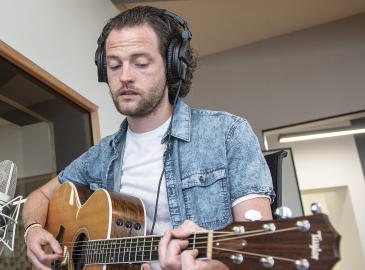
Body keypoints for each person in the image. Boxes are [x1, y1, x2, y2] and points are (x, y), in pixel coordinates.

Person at [22, 6, 274, 270]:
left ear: (172, 66)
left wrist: (216, 267)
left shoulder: (227, 134)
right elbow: (39, 196)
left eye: (141, 63)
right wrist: (34, 231)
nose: (125, 77)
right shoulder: (100, 156)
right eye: (114, 65)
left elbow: (258, 253)